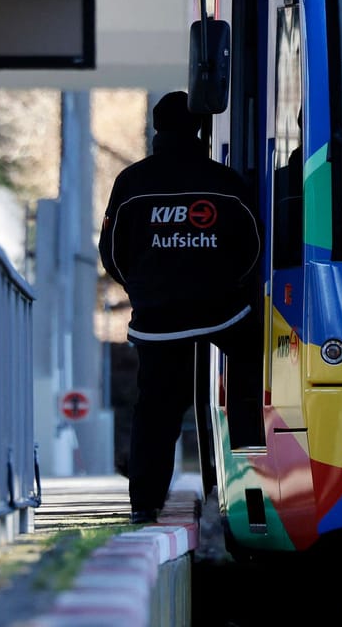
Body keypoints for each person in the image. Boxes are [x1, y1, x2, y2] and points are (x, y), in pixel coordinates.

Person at [99, 91, 263, 524]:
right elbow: (253, 248)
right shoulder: (224, 181)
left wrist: (142, 290)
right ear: (200, 130)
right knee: (252, 368)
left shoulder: (132, 182)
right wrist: (231, 288)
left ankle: (144, 503)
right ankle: (254, 462)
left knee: (155, 408)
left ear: (157, 130)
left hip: (158, 320)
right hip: (222, 313)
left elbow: (112, 252)